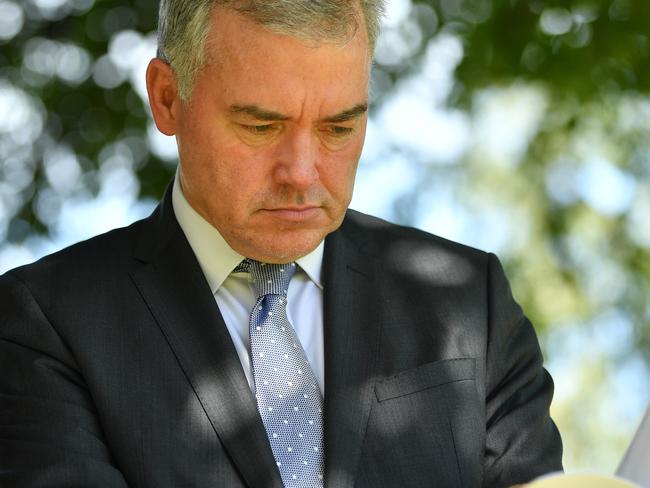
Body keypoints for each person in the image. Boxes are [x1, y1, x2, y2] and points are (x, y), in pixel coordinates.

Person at [0, 1, 563, 487]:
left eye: (338, 129)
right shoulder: (43, 326)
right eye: (260, 126)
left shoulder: (469, 304)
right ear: (168, 99)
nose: (301, 172)